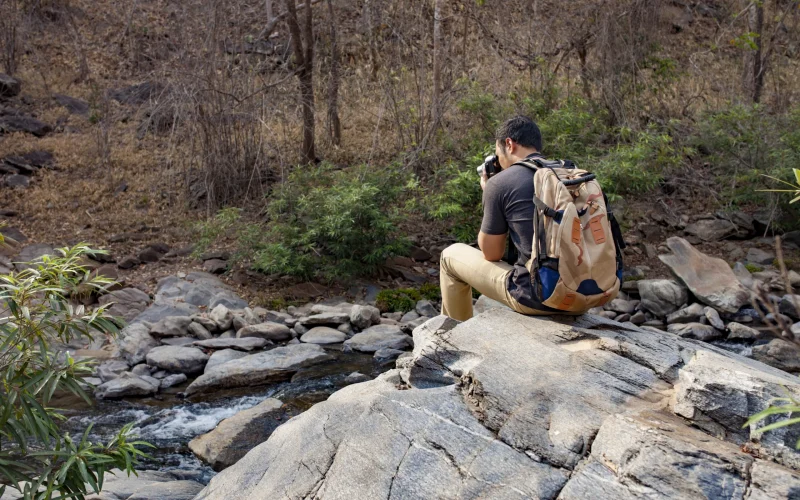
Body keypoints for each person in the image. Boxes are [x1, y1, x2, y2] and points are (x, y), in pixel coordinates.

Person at [440, 115, 554, 321]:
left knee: (449, 256)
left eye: (497, 153)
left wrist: (489, 191)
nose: (499, 161)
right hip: (588, 294)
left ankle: (455, 341)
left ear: (509, 144)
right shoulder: (571, 174)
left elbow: (492, 253)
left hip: (537, 297)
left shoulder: (501, 183)